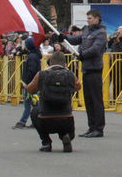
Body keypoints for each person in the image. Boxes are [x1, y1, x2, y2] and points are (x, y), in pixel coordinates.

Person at [30, 43, 77, 152]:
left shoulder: (41, 74)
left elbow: (30, 89)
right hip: (66, 118)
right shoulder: (69, 74)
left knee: (35, 111)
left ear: (50, 62)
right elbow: (78, 86)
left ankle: (46, 142)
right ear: (64, 63)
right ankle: (66, 136)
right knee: (66, 123)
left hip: (46, 118)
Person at [73, 8, 107, 137]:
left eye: (90, 18)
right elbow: (76, 39)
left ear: (97, 19)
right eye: (87, 18)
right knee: (88, 100)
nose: (88, 21)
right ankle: (91, 126)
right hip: (86, 69)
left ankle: (98, 128)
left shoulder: (101, 32)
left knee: (96, 100)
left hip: (94, 69)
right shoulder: (87, 31)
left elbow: (96, 49)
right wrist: (63, 37)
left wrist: (82, 55)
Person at [13, 35, 42, 128]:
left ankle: (23, 121)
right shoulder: (34, 55)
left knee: (28, 104)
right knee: (34, 103)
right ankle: (36, 120)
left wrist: (27, 83)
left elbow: (32, 70)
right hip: (33, 83)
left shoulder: (32, 57)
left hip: (30, 84)